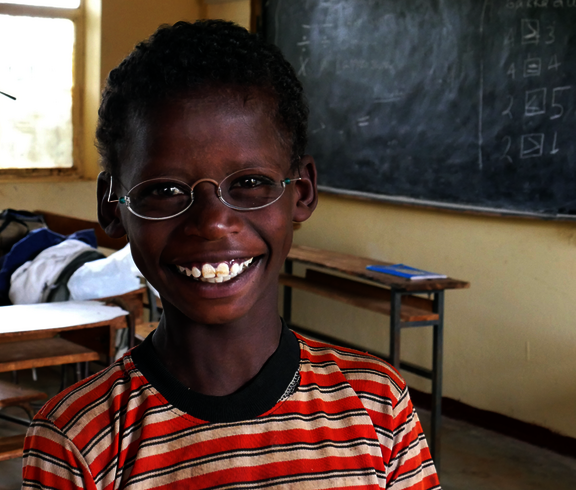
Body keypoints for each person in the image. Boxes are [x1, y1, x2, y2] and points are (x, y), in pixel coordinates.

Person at [22, 20, 440, 489]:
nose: (213, 221)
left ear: (301, 192)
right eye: (165, 189)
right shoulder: (79, 438)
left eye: (249, 183)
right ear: (112, 206)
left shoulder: (377, 404)